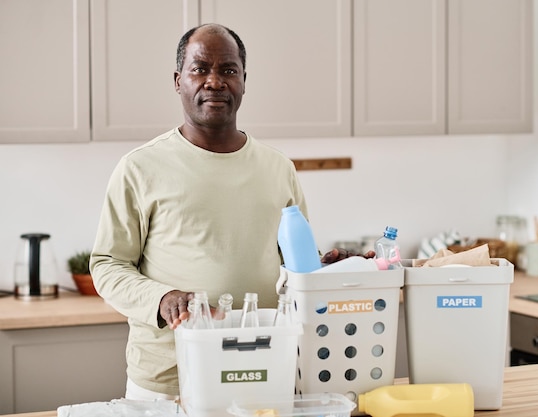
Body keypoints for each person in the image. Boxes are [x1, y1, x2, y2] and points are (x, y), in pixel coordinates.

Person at [90, 23, 366, 401]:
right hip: (169, 383)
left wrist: (330, 270)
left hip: (264, 372)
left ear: (244, 81)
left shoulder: (277, 168)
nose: (215, 81)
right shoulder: (140, 167)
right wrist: (163, 298)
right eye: (200, 69)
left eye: (228, 70)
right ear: (178, 80)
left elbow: (292, 266)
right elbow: (107, 264)